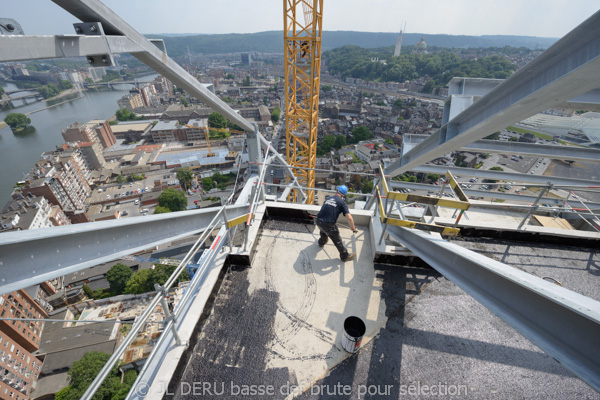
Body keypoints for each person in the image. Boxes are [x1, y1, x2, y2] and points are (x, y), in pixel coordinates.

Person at [316, 185, 358, 262]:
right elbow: (349, 218)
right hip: (328, 225)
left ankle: (322, 241)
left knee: (323, 229)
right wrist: (353, 228)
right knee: (337, 240)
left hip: (318, 221)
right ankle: (345, 256)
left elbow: (326, 210)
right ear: (344, 195)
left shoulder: (328, 198)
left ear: (337, 191)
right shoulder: (342, 202)